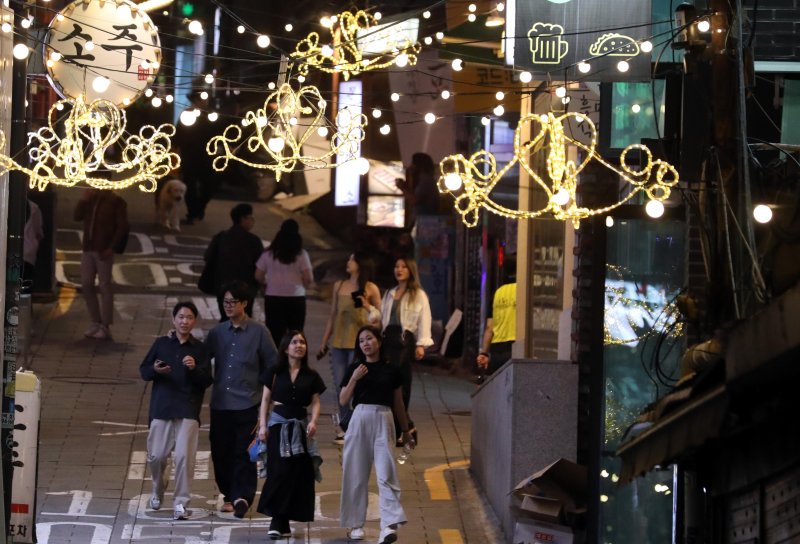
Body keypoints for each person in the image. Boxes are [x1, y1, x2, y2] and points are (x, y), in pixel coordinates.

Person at [205, 280, 278, 518]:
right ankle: (228, 494)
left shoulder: (259, 332)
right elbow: (199, 356)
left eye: (232, 302)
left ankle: (242, 496)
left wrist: (269, 401)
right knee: (220, 451)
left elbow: (273, 365)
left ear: (244, 303)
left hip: (249, 402)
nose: (228, 306)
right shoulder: (217, 333)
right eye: (225, 302)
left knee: (244, 452)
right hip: (220, 403)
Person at [339, 325, 414, 544]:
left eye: (369, 338)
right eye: (361, 340)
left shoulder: (392, 370)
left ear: (378, 342)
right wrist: (354, 378)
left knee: (386, 473)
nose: (365, 343)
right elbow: (343, 400)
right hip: (360, 417)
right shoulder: (355, 367)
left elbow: (399, 403)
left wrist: (407, 430)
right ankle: (355, 525)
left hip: (384, 418)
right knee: (355, 472)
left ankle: (388, 526)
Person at [139, 301, 212, 520]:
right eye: (180, 317)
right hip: (162, 408)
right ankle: (158, 490)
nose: (184, 321)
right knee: (157, 457)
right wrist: (155, 370)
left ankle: (181, 502)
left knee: (183, 458)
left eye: (189, 317)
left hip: (188, 409)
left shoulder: (199, 349)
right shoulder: (162, 344)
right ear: (173, 319)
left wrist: (194, 369)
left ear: (194, 321)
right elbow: (144, 370)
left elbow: (207, 380)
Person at [257, 330, 325, 540]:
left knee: (297, 474)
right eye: (294, 342)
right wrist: (262, 426)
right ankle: (277, 519)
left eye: (302, 342)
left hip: (300, 429)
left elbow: (315, 401)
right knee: (279, 472)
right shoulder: (275, 372)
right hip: (278, 427)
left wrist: (313, 421)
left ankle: (283, 520)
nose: (299, 345)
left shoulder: (311, 375)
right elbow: (265, 400)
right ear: (286, 348)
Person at [318, 252, 381, 442]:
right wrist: (324, 341)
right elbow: (332, 315)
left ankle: (358, 423)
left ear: (360, 264)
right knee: (340, 385)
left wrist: (367, 305)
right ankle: (345, 425)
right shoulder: (339, 286)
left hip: (360, 346)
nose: (348, 263)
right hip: (338, 343)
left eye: (352, 260)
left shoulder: (370, 288)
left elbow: (379, 319)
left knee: (357, 383)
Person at [380, 257, 433, 443]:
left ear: (410, 270)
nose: (399, 269)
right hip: (387, 341)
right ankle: (407, 427)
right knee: (389, 385)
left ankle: (404, 428)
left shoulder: (418, 294)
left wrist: (421, 344)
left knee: (400, 386)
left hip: (404, 342)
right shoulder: (389, 293)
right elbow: (381, 317)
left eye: (403, 267)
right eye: (396, 266)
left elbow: (424, 319)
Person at [74, 188, 128, 340]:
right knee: (86, 283)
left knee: (104, 285)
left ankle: (105, 325)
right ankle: (95, 321)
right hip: (88, 247)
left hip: (103, 249)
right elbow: (76, 216)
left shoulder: (116, 201)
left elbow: (122, 226)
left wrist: (112, 247)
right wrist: (83, 200)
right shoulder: (91, 199)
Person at [255, 219, 313, 344]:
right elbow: (309, 278)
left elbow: (258, 275)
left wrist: (265, 285)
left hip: (273, 298)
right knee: (296, 333)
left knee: (274, 334)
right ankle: (295, 361)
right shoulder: (302, 254)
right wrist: (304, 285)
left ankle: (276, 361)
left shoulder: (269, 254)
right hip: (296, 297)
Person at [203, 203, 264, 320]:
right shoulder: (253, 241)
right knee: (243, 320)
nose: (253, 221)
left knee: (226, 320)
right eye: (251, 218)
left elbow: (207, 257)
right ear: (243, 219)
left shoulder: (220, 237)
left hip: (222, 287)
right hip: (246, 290)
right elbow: (261, 266)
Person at [174, 88, 223, 224]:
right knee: (190, 186)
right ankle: (192, 214)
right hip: (189, 155)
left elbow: (218, 132)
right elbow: (178, 135)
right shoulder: (187, 114)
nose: (205, 101)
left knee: (209, 186)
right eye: (202, 99)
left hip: (207, 156)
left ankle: (199, 209)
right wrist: (176, 152)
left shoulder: (210, 115)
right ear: (195, 100)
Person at [477, 257, 517, 376]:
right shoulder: (523, 291)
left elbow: (489, 327)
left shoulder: (497, 293)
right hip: (514, 346)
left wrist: (484, 353)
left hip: (497, 349)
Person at [23, 199, 44, 283]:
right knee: (24, 286)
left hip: (4, 253)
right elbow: (38, 232)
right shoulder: (33, 208)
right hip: (27, 255)